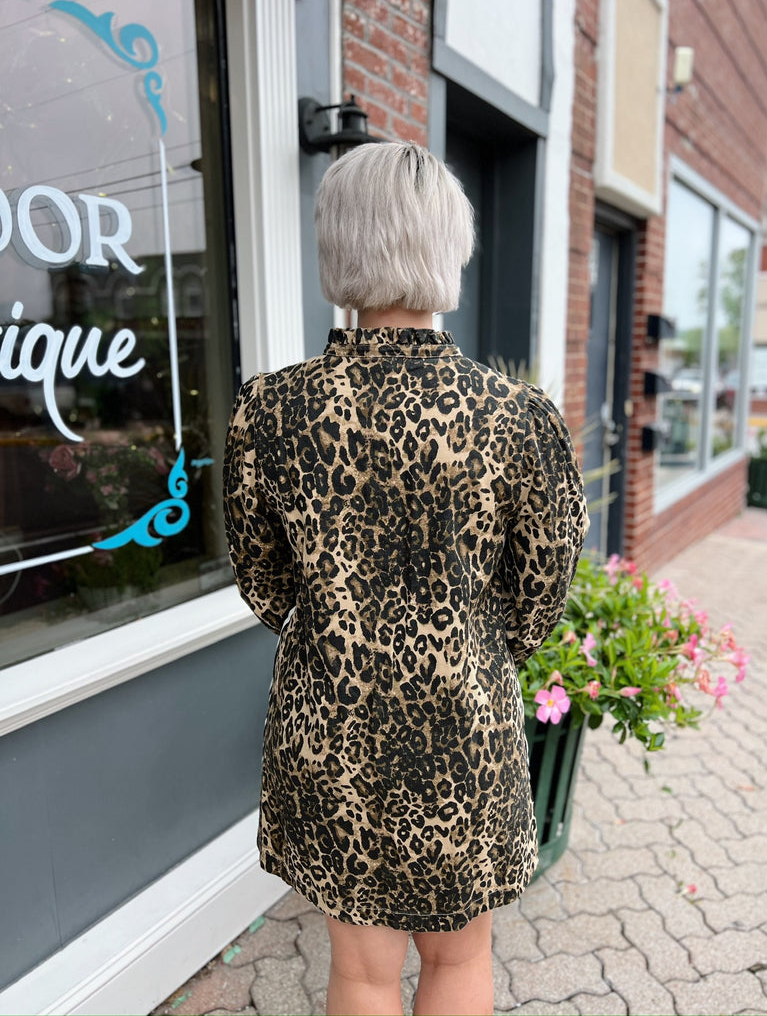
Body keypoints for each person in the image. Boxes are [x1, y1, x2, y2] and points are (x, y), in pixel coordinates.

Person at [223, 142, 588, 1016]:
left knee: (361, 971)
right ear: (448, 246)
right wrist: (467, 638)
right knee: (462, 961)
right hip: (464, 723)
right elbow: (542, 585)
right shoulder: (516, 416)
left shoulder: (270, 409)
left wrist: (339, 629)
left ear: (338, 248)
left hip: (332, 728)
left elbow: (262, 578)